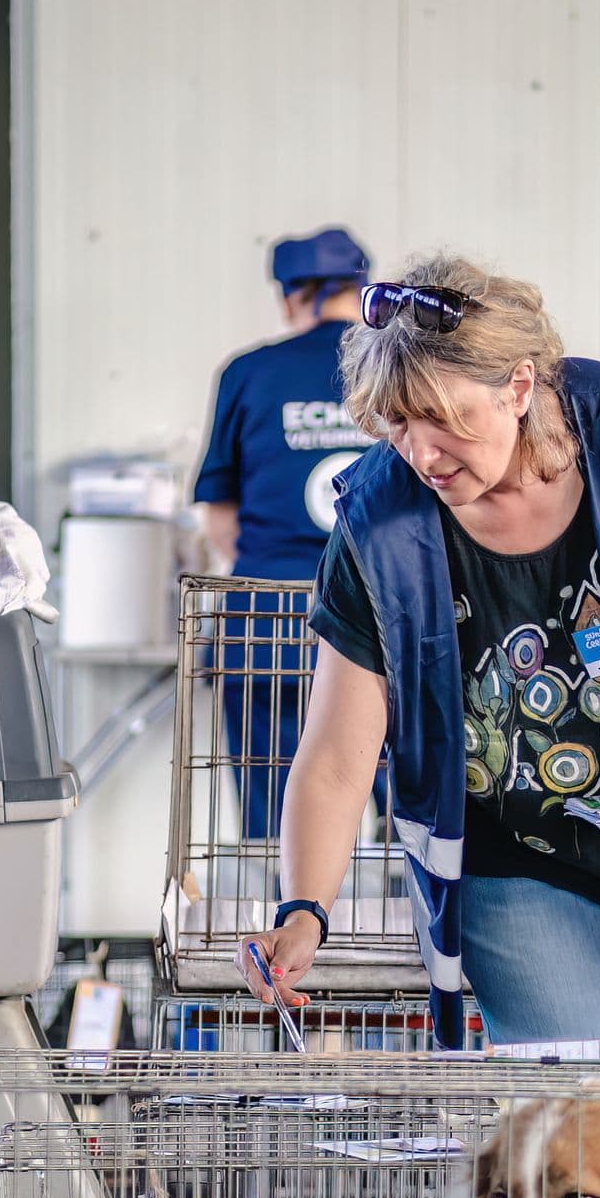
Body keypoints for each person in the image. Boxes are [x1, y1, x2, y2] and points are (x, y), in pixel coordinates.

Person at [242, 254, 600, 1066]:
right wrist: (304, 909)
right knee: (571, 1125)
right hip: (521, 862)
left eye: (444, 419)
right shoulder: (377, 523)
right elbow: (337, 755)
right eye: (397, 424)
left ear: (519, 388)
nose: (421, 452)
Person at [193, 228, 380, 846]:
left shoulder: (249, 372)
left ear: (291, 296)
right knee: (403, 802)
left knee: (272, 807)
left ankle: (278, 927)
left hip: (267, 618)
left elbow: (220, 520)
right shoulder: (395, 372)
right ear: (361, 289)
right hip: (382, 620)